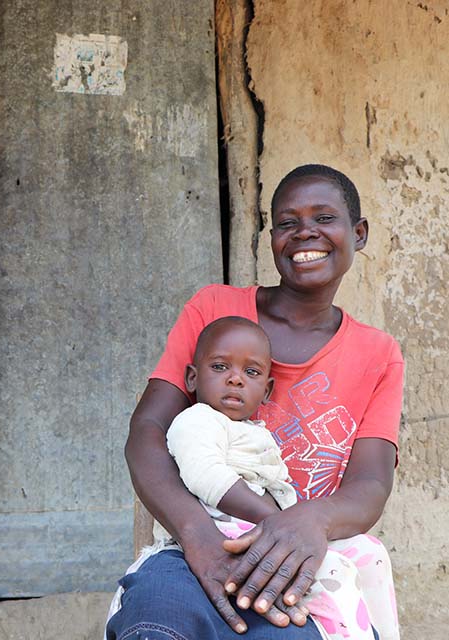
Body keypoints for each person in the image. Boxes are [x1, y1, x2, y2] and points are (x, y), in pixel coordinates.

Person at [107, 164, 404, 640]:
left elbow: (370, 483)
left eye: (324, 218)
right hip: (197, 545)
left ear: (359, 233)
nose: (305, 232)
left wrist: (308, 521)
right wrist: (196, 532)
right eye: (288, 222)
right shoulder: (215, 311)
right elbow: (147, 432)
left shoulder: (378, 354)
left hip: (298, 556)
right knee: (154, 620)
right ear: (272, 239)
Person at [161, 316, 399, 640]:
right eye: (220, 367)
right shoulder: (197, 420)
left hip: (268, 528)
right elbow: (206, 475)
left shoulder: (255, 432)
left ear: (267, 389)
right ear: (192, 377)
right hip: (226, 531)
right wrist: (279, 521)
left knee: (370, 553)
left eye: (251, 372)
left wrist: (297, 526)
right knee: (335, 573)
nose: (235, 380)